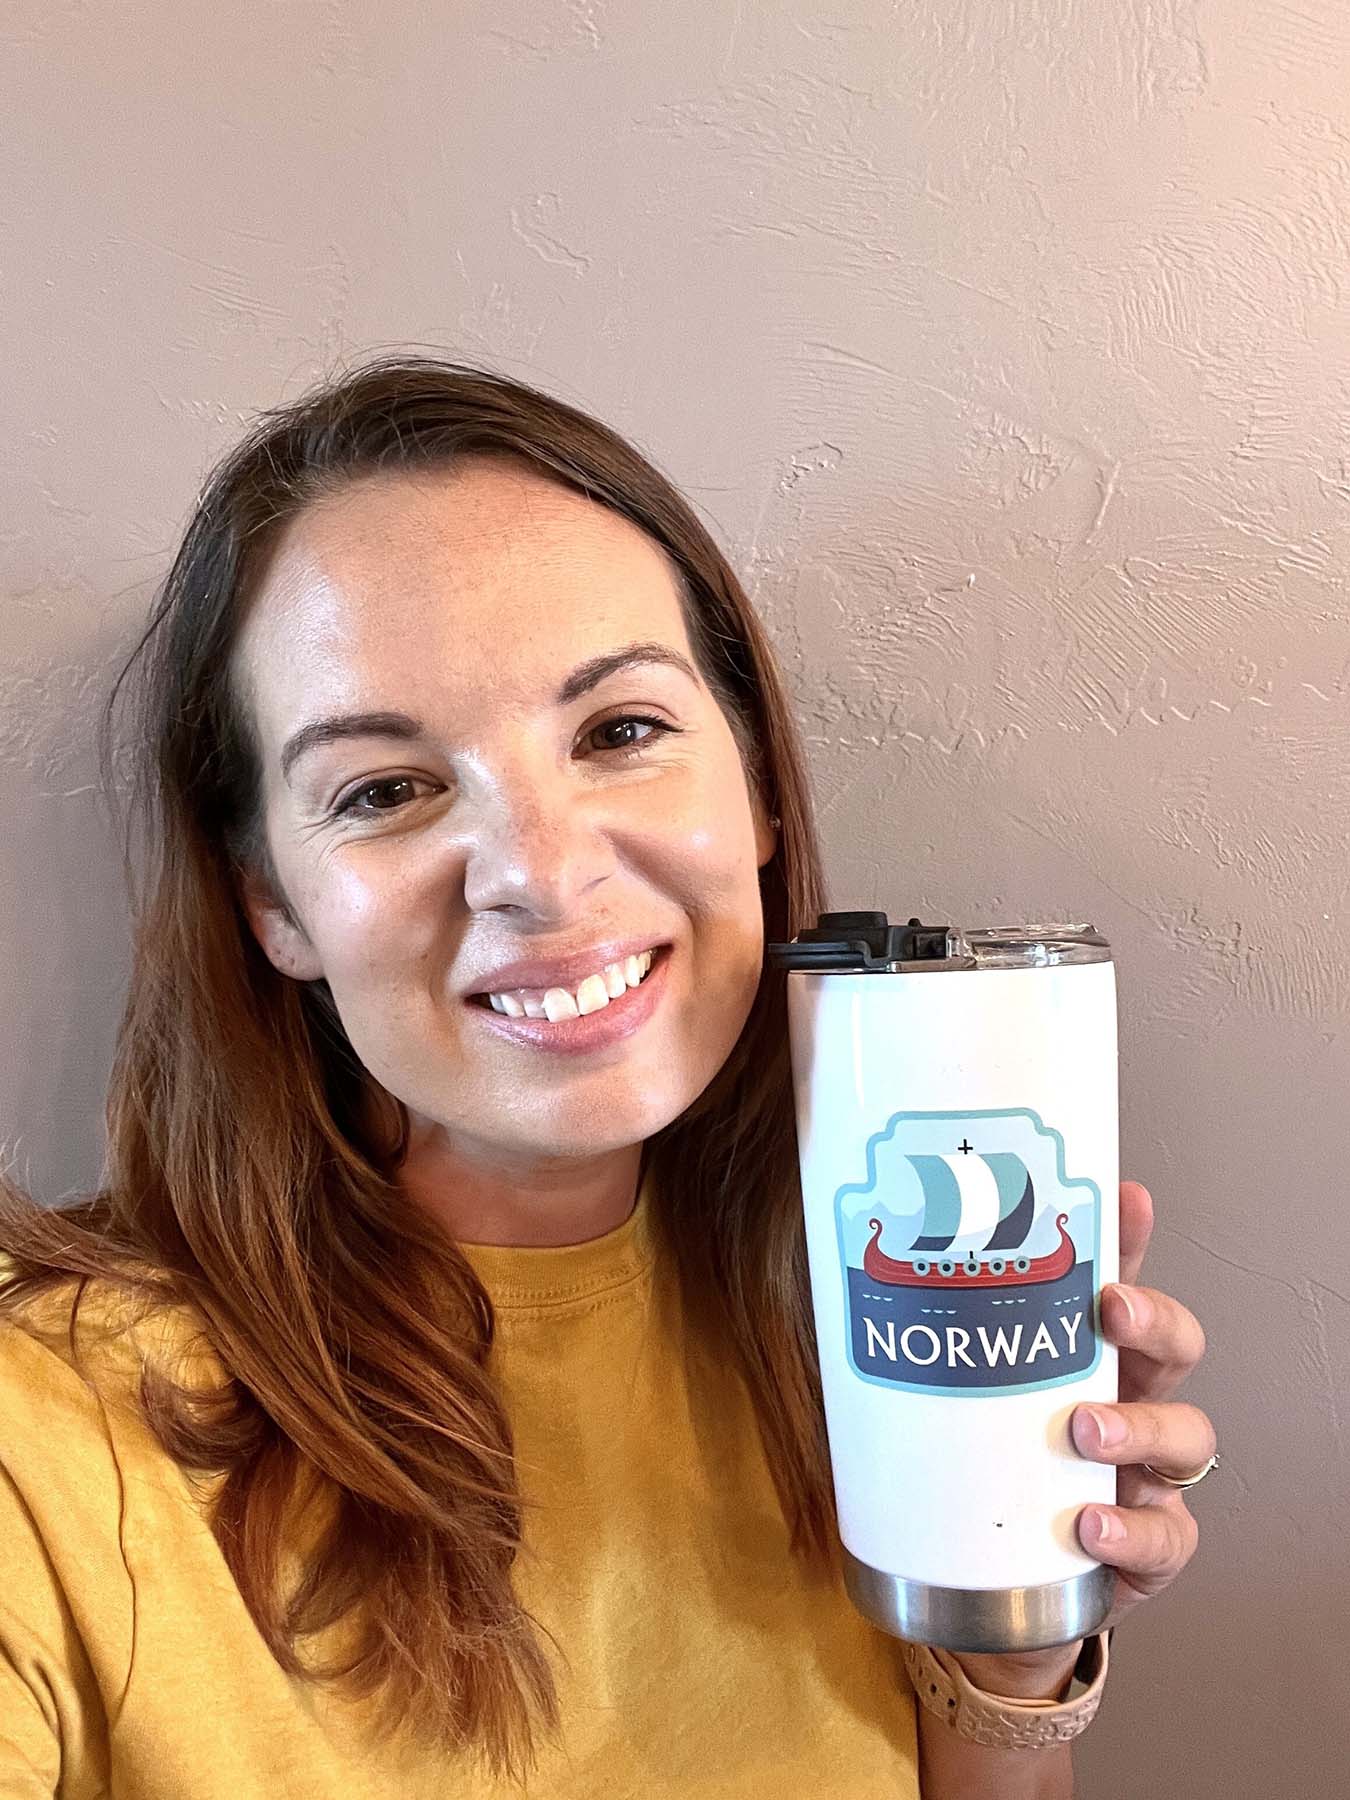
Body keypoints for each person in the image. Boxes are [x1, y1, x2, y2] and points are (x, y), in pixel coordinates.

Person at [0, 358, 1217, 1799]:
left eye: (619, 732)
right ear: (273, 906)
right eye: (387, 788)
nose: (541, 872)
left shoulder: (852, 1319)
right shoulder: (44, 1429)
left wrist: (1010, 1656)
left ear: (756, 786)